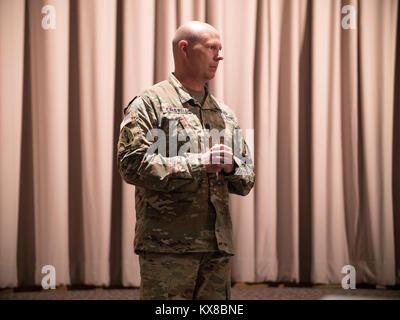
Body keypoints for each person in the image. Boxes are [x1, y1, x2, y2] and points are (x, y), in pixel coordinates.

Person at [117, 21, 255, 300]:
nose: (220, 55)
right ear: (184, 49)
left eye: (221, 48)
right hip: (168, 248)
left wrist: (231, 167)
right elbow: (131, 165)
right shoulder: (149, 104)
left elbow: (247, 180)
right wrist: (199, 163)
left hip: (217, 249)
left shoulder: (224, 114)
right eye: (212, 48)